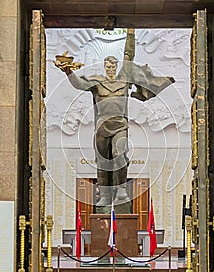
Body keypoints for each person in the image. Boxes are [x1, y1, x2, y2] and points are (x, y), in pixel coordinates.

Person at [55, 28, 175, 213]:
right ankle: (104, 194)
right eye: (108, 67)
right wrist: (68, 72)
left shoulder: (123, 80)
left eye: (113, 66)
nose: (111, 69)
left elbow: (129, 55)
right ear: (104, 67)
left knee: (119, 155)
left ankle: (120, 191)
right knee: (103, 161)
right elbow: (78, 84)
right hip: (102, 127)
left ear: (116, 66)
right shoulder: (97, 82)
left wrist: (131, 33)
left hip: (120, 125)